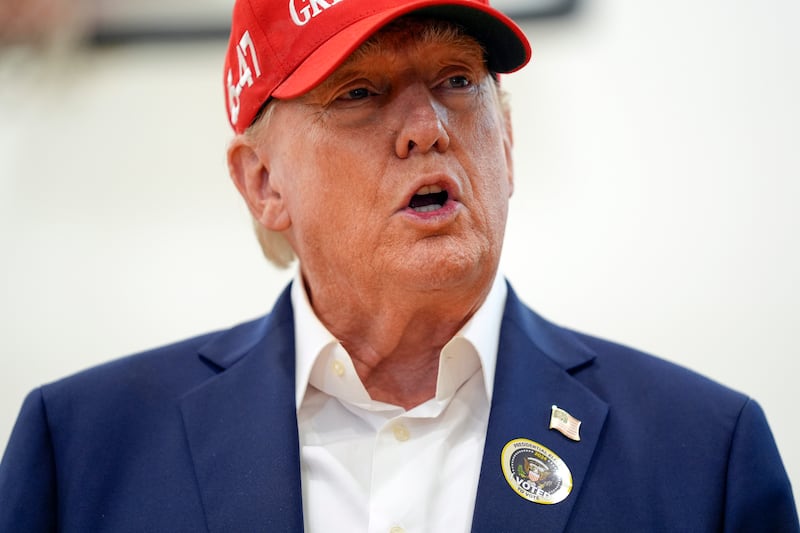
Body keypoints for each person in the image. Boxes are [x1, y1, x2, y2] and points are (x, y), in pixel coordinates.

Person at [0, 0, 797, 531]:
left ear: (508, 144)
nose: (425, 128)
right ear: (264, 183)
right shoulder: (81, 452)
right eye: (359, 91)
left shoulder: (705, 456)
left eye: (457, 80)